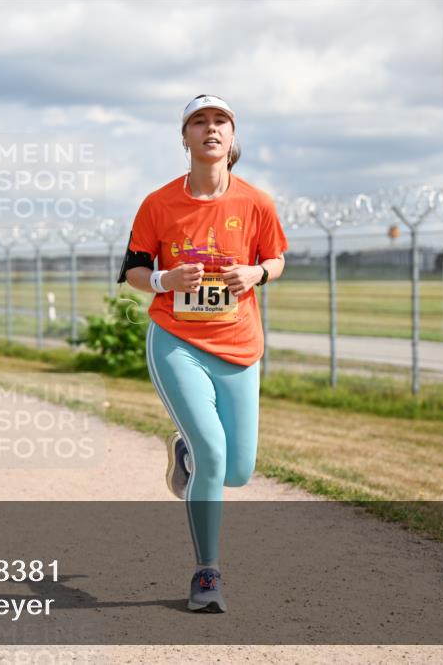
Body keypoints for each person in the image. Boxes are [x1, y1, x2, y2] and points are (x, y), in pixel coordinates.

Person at [117, 95, 287, 613]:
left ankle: (185, 455)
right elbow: (132, 270)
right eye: (199, 121)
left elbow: (276, 258)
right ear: (185, 137)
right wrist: (167, 278)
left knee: (238, 471)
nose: (211, 129)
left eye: (221, 122)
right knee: (215, 453)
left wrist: (255, 273)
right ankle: (207, 572)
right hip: (177, 342)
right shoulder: (158, 203)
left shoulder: (256, 202)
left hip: (239, 345)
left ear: (232, 139)